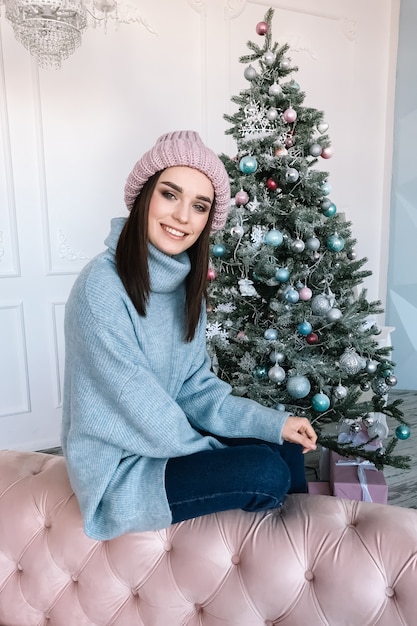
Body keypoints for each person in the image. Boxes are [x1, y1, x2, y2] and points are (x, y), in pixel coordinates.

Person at [62, 130, 317, 541]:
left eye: (199, 206)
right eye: (170, 194)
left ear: (207, 220)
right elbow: (138, 405)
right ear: (144, 196)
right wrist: (222, 454)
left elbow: (195, 389)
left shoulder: (185, 291)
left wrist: (274, 424)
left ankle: (301, 558)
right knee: (264, 469)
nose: (182, 216)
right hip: (123, 471)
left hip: (167, 442)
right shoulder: (101, 287)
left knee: (283, 448)